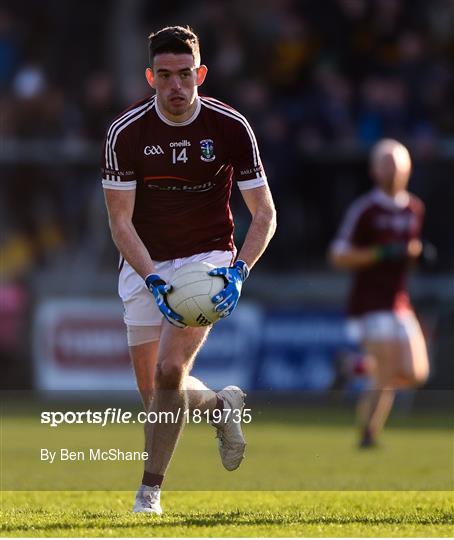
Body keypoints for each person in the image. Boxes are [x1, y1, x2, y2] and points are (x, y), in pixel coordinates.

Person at [102, 26, 276, 514]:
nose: (175, 87)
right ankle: (221, 407)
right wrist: (152, 277)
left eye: (184, 75)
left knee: (171, 369)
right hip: (144, 259)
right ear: (150, 77)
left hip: (208, 258)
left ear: (200, 74)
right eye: (164, 76)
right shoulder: (126, 133)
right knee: (153, 390)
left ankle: (149, 493)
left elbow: (264, 212)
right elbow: (119, 223)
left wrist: (239, 271)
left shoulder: (230, 126)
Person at [328, 138, 429, 448]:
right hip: (369, 304)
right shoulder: (366, 209)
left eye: (397, 164)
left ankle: (354, 366)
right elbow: (339, 255)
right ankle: (368, 435)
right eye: (386, 164)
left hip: (399, 301)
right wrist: (382, 253)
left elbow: (406, 254)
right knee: (385, 372)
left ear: (408, 169)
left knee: (415, 373)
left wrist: (415, 254)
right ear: (374, 170)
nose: (392, 170)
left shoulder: (414, 208)